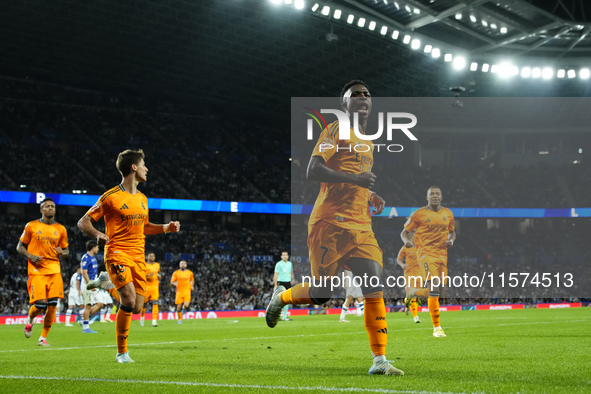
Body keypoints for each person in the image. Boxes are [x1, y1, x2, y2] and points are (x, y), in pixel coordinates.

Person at [265, 80, 403, 376]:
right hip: (329, 223)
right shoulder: (334, 129)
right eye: (355, 95)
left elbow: (357, 178)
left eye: (366, 94)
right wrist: (356, 181)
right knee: (323, 292)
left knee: (374, 284)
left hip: (361, 225)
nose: (363, 97)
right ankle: (282, 297)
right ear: (345, 104)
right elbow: (312, 170)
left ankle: (379, 360)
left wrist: (370, 194)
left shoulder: (368, 141)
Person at [78, 148, 180, 363]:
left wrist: (166, 227)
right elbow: (83, 222)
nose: (147, 168)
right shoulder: (110, 197)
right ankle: (121, 352)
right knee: (129, 299)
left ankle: (108, 283)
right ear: (134, 167)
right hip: (117, 253)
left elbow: (144, 227)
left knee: (136, 307)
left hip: (138, 257)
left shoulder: (143, 198)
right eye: (144, 164)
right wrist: (98, 234)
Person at [401, 186, 456, 338]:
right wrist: (406, 241)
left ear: (441, 197)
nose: (435, 196)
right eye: (431, 194)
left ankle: (412, 292)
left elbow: (452, 231)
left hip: (442, 255)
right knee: (434, 288)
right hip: (426, 254)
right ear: (427, 197)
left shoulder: (448, 214)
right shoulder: (419, 214)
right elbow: (404, 232)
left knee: (441, 294)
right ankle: (437, 328)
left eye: (437, 193)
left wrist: (451, 240)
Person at [17, 197, 69, 346]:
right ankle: (30, 320)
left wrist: (63, 252)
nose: (50, 208)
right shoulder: (31, 226)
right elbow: (19, 246)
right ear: (41, 210)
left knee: (52, 305)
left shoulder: (61, 229)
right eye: (47, 206)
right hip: (37, 270)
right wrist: (30, 256)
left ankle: (43, 338)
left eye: (52, 206)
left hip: (54, 270)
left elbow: (66, 251)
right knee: (40, 305)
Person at [396, 231, 421, 323]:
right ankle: (415, 317)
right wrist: (402, 265)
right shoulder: (405, 248)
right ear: (410, 237)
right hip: (409, 274)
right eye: (415, 237)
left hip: (420, 274)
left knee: (417, 295)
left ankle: (407, 304)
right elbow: (398, 259)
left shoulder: (420, 247)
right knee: (412, 294)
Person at [80, 240, 103, 333]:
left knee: (100, 303)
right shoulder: (85, 258)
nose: (98, 249)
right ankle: (85, 327)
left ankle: (83, 320)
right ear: (93, 248)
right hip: (87, 285)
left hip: (94, 284)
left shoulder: (93, 258)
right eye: (97, 247)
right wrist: (90, 284)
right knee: (88, 306)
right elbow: (84, 273)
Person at [140, 252, 160, 327]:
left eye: (153, 256)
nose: (152, 257)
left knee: (155, 302)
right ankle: (142, 318)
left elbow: (157, 273)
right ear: (147, 257)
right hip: (146, 287)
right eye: (150, 256)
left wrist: (158, 276)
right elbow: (141, 275)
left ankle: (154, 321)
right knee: (144, 304)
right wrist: (148, 276)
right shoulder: (144, 265)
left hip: (155, 287)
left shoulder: (157, 265)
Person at [273, 251, 294, 321]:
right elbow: (276, 275)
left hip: (288, 282)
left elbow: (291, 272)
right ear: (281, 257)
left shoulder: (290, 264)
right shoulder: (278, 264)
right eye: (283, 255)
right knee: (279, 300)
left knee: (287, 300)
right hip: (281, 282)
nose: (285, 256)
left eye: (286, 255)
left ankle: (284, 316)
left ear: (288, 256)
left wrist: (292, 279)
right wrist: (275, 285)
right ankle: (277, 316)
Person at [171, 260, 194, 324]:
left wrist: (192, 286)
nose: (183, 265)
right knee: (178, 307)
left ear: (186, 265)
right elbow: (172, 281)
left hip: (187, 291)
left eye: (184, 264)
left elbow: (192, 280)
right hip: (179, 292)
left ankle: (184, 309)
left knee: (186, 305)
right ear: (179, 265)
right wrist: (174, 283)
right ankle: (179, 319)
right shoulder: (176, 273)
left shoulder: (190, 272)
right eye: (182, 264)